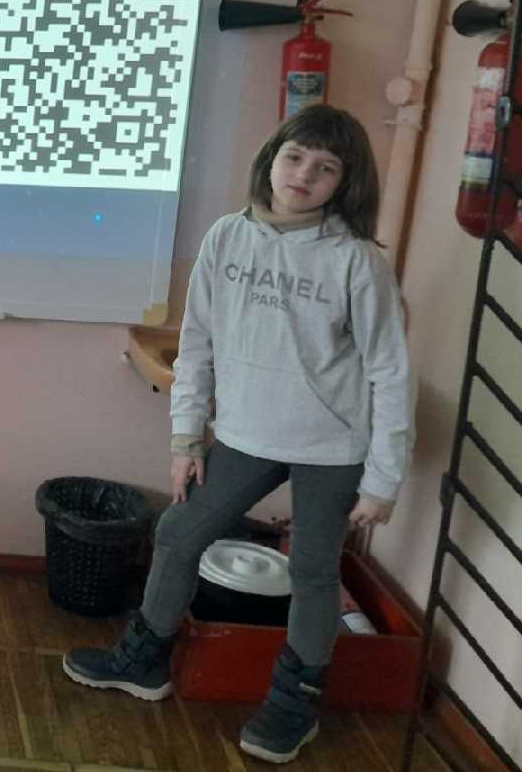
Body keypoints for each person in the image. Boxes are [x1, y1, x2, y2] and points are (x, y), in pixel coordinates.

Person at [62, 105, 414, 765]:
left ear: (345, 182)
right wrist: (185, 439)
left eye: (325, 167)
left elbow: (391, 374)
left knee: (312, 569)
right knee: (178, 532)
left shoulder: (357, 261)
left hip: (333, 448)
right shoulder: (229, 236)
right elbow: (196, 342)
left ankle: (294, 702)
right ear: (272, 158)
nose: (304, 175)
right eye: (295, 157)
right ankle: (144, 660)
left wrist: (383, 479)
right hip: (246, 433)